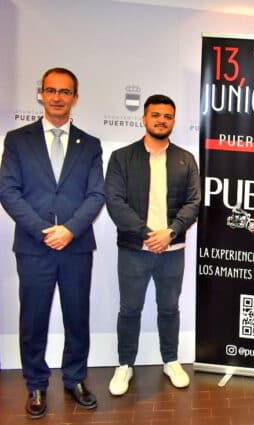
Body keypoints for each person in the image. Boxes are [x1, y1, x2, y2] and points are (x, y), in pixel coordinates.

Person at [0, 67, 105, 418]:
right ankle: (36, 384)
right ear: (41, 94)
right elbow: (8, 191)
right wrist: (44, 230)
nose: (57, 97)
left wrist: (70, 230)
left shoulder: (90, 144)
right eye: (51, 90)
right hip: (34, 247)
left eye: (65, 91)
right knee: (33, 319)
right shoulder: (17, 140)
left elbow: (96, 194)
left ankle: (75, 379)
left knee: (77, 317)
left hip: (76, 247)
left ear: (75, 97)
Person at [104, 94, 201, 396]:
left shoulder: (186, 159)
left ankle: (170, 360)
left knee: (169, 308)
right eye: (156, 115)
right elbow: (115, 202)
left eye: (167, 116)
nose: (161, 120)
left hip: (172, 251)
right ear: (144, 118)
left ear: (173, 121)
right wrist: (147, 234)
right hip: (134, 249)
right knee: (129, 309)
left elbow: (194, 202)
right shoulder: (121, 157)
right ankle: (125, 365)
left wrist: (170, 232)